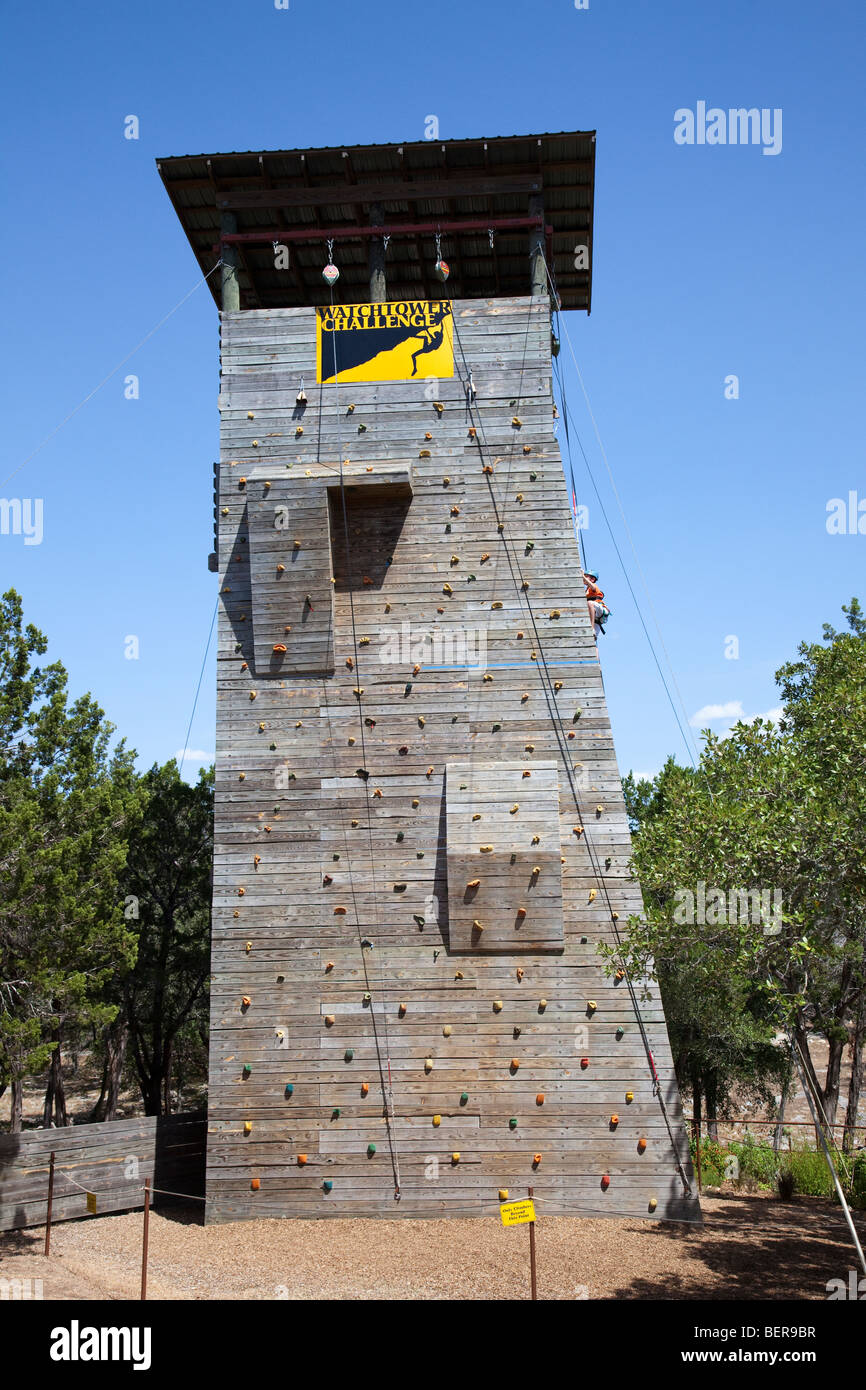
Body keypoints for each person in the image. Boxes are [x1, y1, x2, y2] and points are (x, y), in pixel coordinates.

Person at [583, 570, 610, 639]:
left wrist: (583, 576)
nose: (583, 578)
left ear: (592, 579)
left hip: (600, 609)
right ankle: (592, 630)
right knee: (592, 640)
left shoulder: (593, 586)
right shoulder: (586, 591)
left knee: (590, 603)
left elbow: (593, 587)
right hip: (596, 618)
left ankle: (591, 628)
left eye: (586, 577)